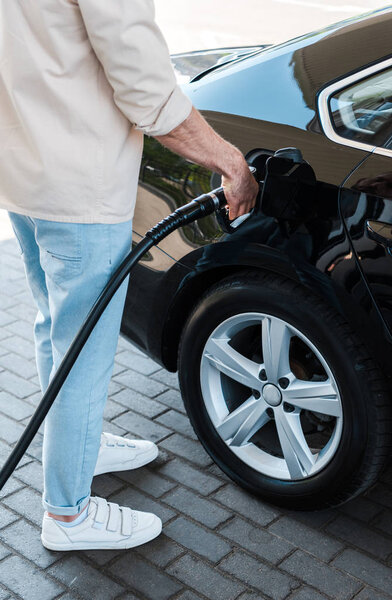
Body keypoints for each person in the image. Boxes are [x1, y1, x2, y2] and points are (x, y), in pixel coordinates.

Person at [0, 0, 258, 551]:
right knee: (83, 353)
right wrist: (231, 163)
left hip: (24, 174)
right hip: (80, 188)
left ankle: (79, 448)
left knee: (57, 330)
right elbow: (145, 87)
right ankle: (68, 515)